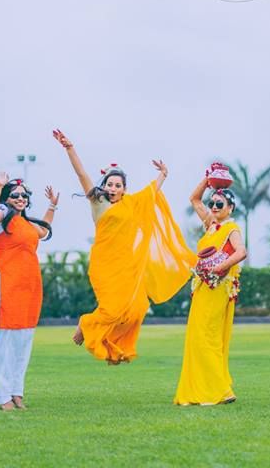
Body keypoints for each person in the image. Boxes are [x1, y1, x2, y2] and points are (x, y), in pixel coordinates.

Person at [53, 129, 195, 364]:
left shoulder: (131, 203)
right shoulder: (98, 202)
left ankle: (115, 346)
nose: (112, 188)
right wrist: (70, 148)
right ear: (105, 186)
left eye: (117, 185)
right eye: (109, 184)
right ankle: (86, 323)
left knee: (138, 308)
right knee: (111, 310)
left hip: (128, 266)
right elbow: (81, 174)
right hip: (104, 265)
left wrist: (164, 174)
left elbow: (151, 193)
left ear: (124, 189)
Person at [0, 174, 57, 411]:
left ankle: (17, 392)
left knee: (23, 341)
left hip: (30, 285)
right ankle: (2, 396)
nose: (20, 198)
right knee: (3, 341)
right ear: (7, 199)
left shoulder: (28, 224)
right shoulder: (3, 219)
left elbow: (43, 231)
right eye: (15, 195)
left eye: (23, 195)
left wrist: (52, 206)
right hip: (6, 283)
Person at [174, 174, 247, 405]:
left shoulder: (231, 228)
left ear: (230, 207)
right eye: (212, 203)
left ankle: (222, 391)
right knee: (198, 337)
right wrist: (208, 180)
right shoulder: (210, 224)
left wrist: (219, 268)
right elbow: (194, 199)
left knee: (208, 337)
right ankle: (209, 389)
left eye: (219, 204)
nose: (214, 207)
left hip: (218, 288)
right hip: (203, 288)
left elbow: (241, 252)